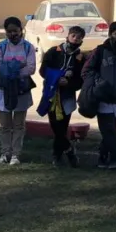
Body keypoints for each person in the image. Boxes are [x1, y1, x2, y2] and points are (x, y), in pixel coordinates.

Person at [82, 21, 116, 170]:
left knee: (111, 130)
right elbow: (86, 71)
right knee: (108, 130)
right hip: (103, 98)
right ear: (110, 34)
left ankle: (103, 156)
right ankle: (114, 158)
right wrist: (99, 84)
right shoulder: (99, 51)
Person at [0, 16, 37, 166]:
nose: (13, 34)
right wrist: (16, 67)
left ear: (21, 30)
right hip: (4, 90)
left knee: (18, 125)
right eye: (9, 31)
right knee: (4, 125)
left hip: (21, 90)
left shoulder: (28, 47)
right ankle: (4, 153)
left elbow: (31, 68)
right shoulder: (0, 47)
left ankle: (16, 154)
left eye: (15, 31)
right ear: (5, 32)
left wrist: (10, 68)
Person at [37, 25, 85, 168]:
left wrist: (68, 83)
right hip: (52, 94)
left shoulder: (80, 58)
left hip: (67, 96)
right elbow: (43, 70)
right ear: (68, 36)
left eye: (79, 37)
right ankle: (69, 150)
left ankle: (57, 156)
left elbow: (81, 78)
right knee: (55, 126)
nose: (76, 39)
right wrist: (57, 78)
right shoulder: (54, 51)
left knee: (62, 127)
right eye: (73, 36)